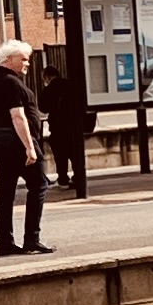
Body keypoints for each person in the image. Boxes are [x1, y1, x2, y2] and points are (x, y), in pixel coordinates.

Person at [0, 38, 50, 255]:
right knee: (39, 185)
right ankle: (32, 238)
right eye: (23, 59)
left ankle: (6, 242)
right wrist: (30, 147)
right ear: (9, 59)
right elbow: (18, 116)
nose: (27, 63)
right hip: (17, 141)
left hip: (0, 140)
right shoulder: (11, 83)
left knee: (6, 191)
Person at [41, 36, 94, 197]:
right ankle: (78, 177)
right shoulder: (71, 85)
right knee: (75, 155)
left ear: (47, 78)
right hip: (74, 127)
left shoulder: (48, 90)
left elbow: (43, 108)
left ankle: (63, 179)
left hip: (58, 128)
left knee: (60, 156)